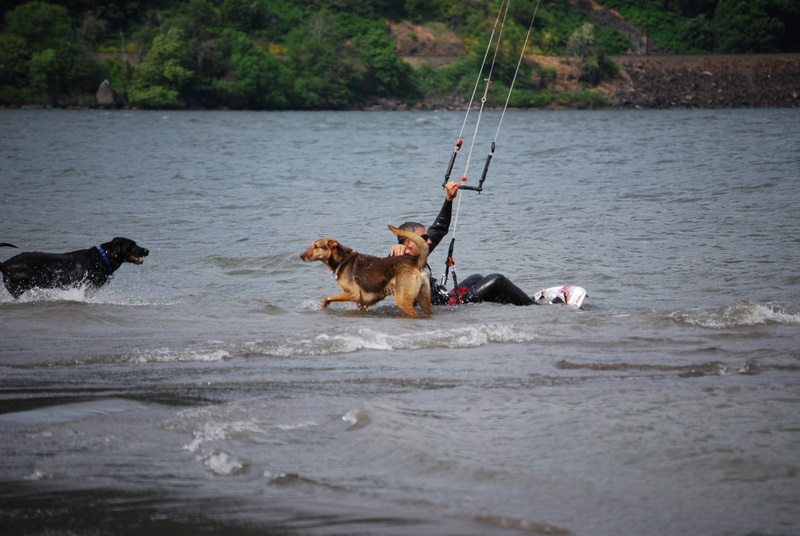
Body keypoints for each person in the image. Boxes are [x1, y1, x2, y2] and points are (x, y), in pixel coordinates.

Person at [390, 181, 535, 306]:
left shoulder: (419, 251)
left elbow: (439, 228)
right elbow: (377, 275)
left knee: (476, 278)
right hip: (448, 307)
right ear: (409, 243)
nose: (429, 240)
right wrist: (393, 256)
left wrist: (449, 199)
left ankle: (517, 300)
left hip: (446, 298)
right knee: (496, 280)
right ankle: (534, 307)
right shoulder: (398, 266)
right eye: (424, 237)